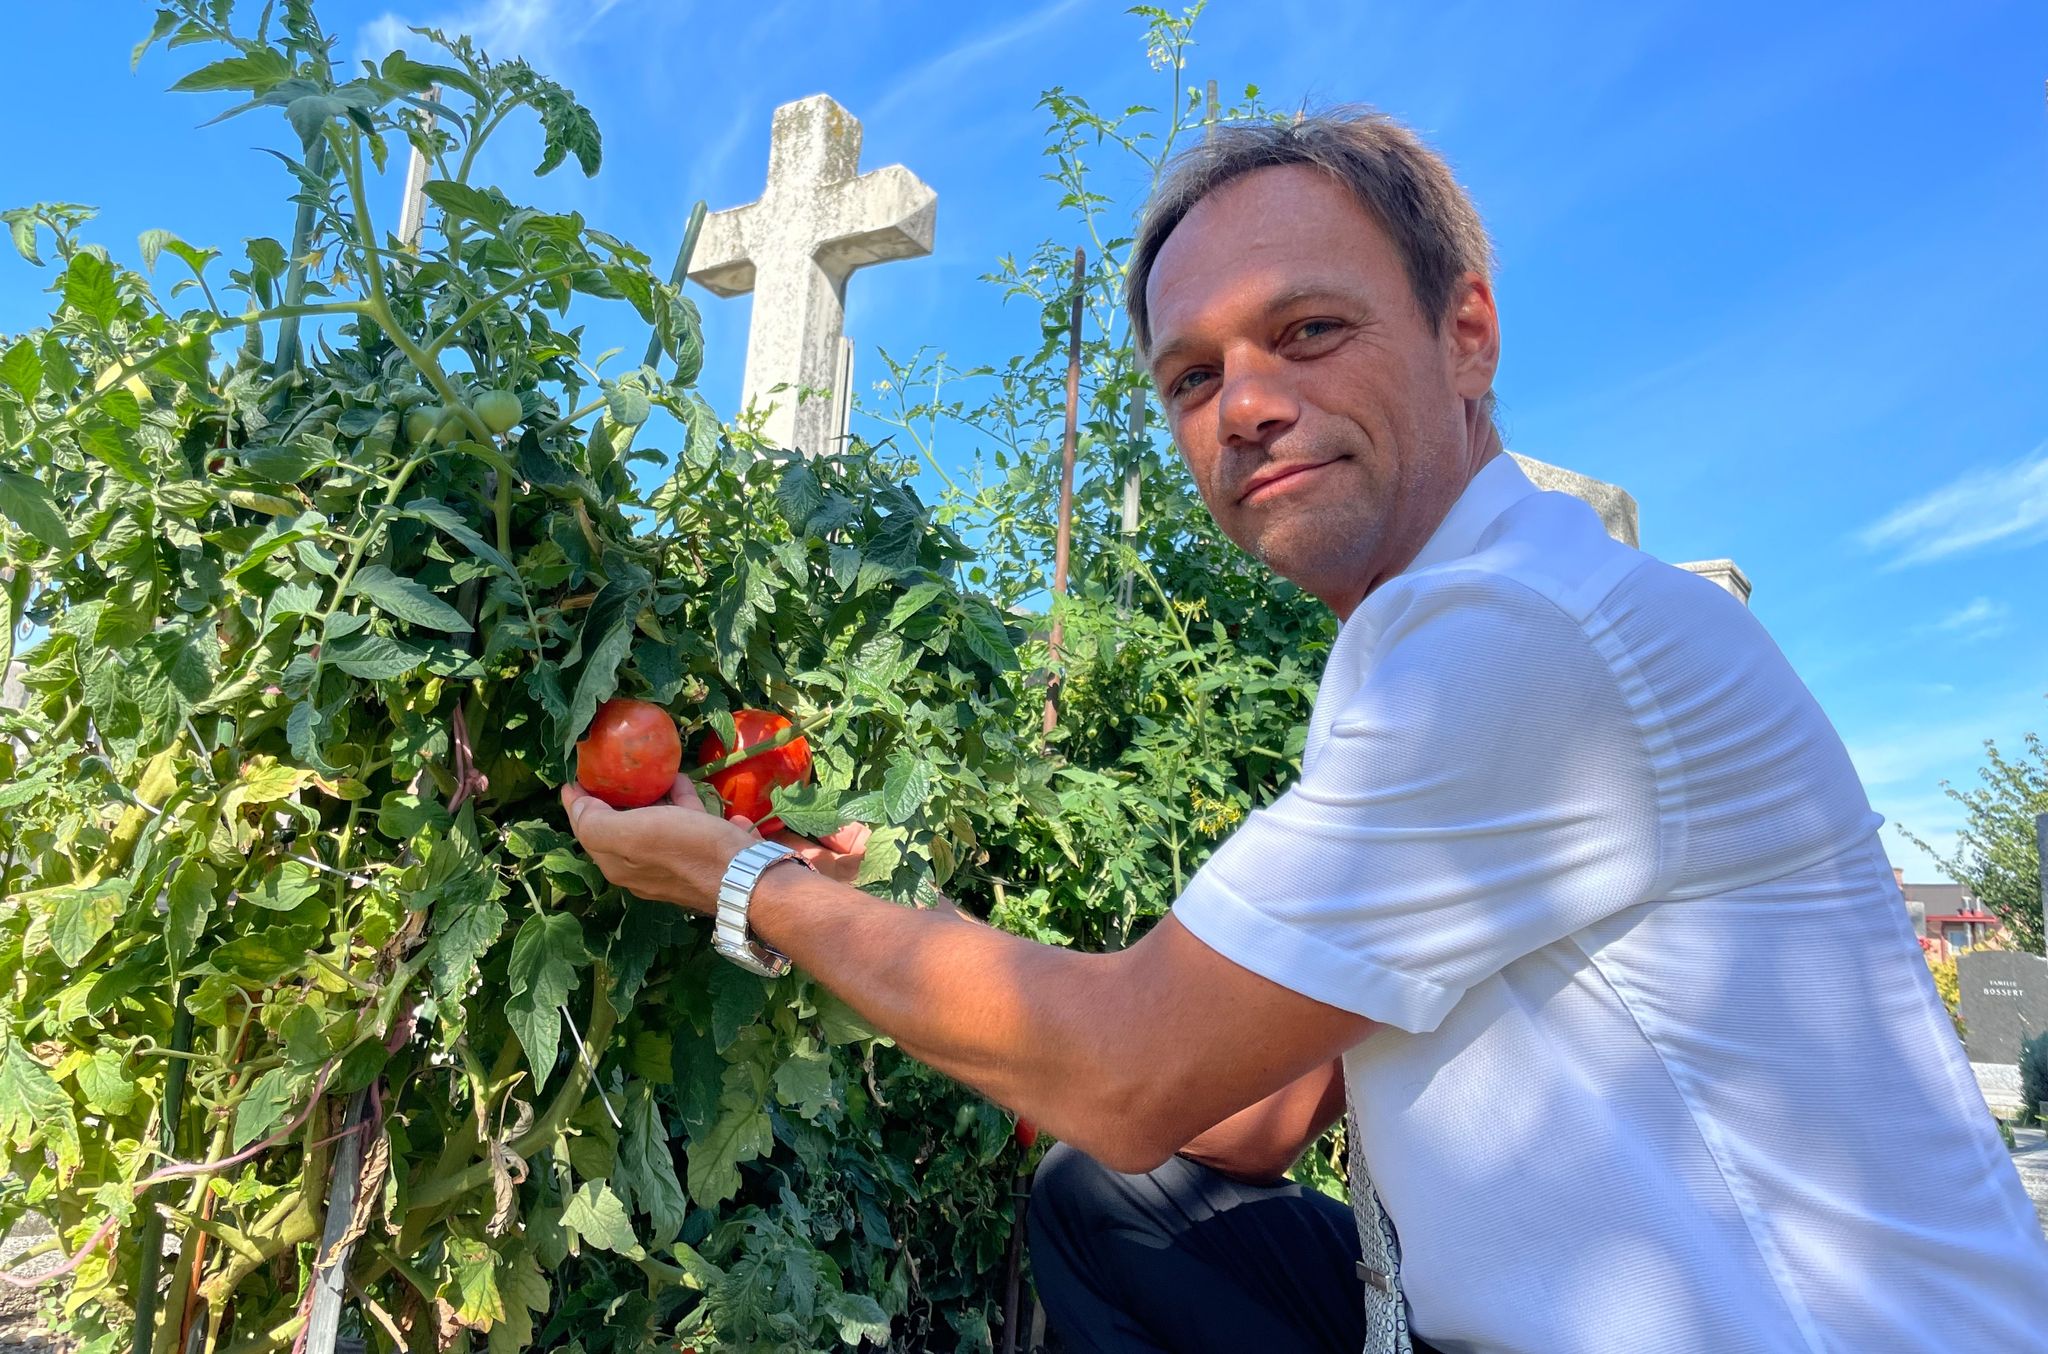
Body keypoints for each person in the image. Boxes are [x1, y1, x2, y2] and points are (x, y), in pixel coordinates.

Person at [561, 108, 2048, 1352]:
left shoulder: (1519, 635)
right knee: (1112, 1200)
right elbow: (1239, 1118)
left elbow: (1126, 1072)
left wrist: (740, 882)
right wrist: (921, 933)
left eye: (1309, 330)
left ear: (1468, 333)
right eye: (1192, 376)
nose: (1246, 405)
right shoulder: (1445, 640)